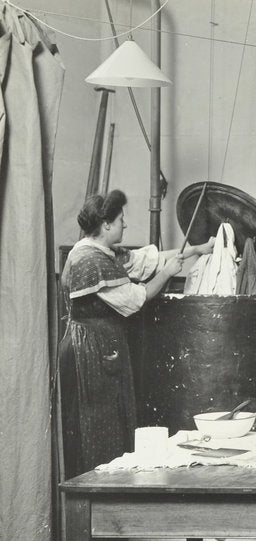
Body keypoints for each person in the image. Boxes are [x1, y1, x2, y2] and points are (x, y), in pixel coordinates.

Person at [59, 189, 213, 477]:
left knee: (109, 424)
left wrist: (196, 249)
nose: (124, 225)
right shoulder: (91, 261)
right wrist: (167, 273)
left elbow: (145, 260)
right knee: (98, 427)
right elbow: (137, 298)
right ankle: (99, 494)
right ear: (106, 224)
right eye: (120, 220)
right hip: (90, 353)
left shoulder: (97, 251)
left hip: (99, 347)